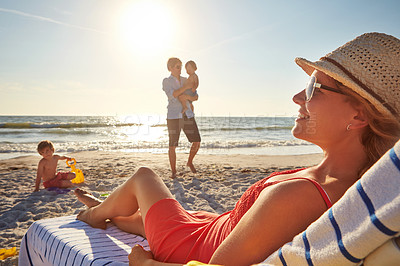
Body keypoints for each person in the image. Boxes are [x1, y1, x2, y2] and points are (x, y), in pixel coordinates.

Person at [75, 32, 400, 266]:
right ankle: (112, 213)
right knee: (139, 219)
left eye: (314, 87)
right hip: (213, 226)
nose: (298, 97)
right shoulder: (347, 183)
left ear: (358, 115)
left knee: (144, 177)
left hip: (191, 246)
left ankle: (93, 214)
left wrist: (143, 263)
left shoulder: (299, 196)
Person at [162, 57, 201, 178]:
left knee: (197, 141)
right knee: (172, 145)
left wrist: (186, 97)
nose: (180, 69)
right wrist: (184, 89)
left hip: (187, 114)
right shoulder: (166, 81)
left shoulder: (186, 79)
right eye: (177, 66)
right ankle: (174, 171)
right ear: (170, 68)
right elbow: (172, 95)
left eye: (181, 66)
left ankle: (189, 162)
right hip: (173, 116)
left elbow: (196, 97)